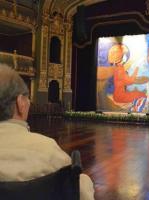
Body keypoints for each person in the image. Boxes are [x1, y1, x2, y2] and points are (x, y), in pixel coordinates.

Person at [0, 64, 94, 200]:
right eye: (27, 98)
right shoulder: (47, 150)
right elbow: (78, 190)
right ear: (20, 103)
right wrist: (86, 182)